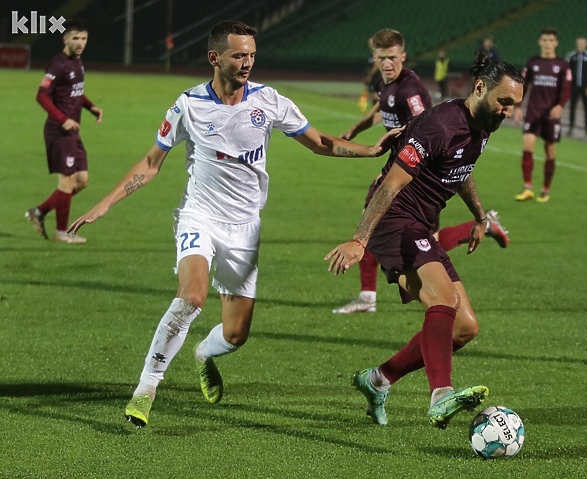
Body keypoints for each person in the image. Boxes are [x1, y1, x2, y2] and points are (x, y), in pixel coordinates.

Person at [67, 20, 399, 428]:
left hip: (245, 227)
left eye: (252, 56)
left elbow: (319, 142)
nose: (247, 63)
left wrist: (369, 151)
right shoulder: (187, 105)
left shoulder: (269, 101)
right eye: (239, 55)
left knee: (236, 334)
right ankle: (145, 389)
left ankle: (204, 354)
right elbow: (152, 162)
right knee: (191, 296)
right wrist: (106, 203)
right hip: (200, 216)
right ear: (215, 58)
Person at [325, 54, 524, 429]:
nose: (508, 112)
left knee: (464, 328)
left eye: (514, 105)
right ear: (480, 88)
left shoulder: (482, 124)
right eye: (505, 102)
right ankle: (440, 395)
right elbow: (390, 185)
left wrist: (480, 216)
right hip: (394, 220)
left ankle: (378, 380)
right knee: (443, 299)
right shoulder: (439, 124)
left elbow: (460, 170)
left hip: (420, 224)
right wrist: (359, 240)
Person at [332, 29, 509, 315]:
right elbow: (383, 106)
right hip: (403, 173)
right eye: (381, 58)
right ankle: (368, 296)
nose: (387, 63)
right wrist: (357, 128)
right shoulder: (385, 83)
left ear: (403, 56)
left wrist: (396, 166)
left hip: (419, 180)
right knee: (384, 232)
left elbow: (424, 126)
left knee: (424, 246)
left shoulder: (411, 90)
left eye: (392, 57)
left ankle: (482, 227)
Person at [25, 19, 103, 244]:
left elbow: (75, 93)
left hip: (72, 133)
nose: (80, 43)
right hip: (59, 132)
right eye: (75, 38)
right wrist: (63, 120)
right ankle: (62, 232)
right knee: (67, 183)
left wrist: (91, 107)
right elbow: (41, 95)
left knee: (82, 181)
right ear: (65, 39)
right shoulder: (58, 64)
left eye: (84, 38)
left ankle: (39, 211)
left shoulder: (77, 62)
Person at [514, 27, 571, 203]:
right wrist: (517, 106)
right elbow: (522, 84)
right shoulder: (533, 63)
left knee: (550, 152)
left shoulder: (562, 65)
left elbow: (567, 89)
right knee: (527, 147)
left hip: (551, 115)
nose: (547, 43)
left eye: (550, 40)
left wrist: (560, 106)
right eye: (544, 40)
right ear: (540, 42)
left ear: (556, 43)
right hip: (533, 112)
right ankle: (528, 187)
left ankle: (545, 189)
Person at [565, 37, 587, 137]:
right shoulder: (571, 56)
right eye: (579, 43)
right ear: (576, 43)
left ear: (585, 44)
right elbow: (567, 72)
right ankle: (571, 128)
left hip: (585, 87)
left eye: (583, 43)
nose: (581, 45)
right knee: (572, 107)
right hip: (574, 87)